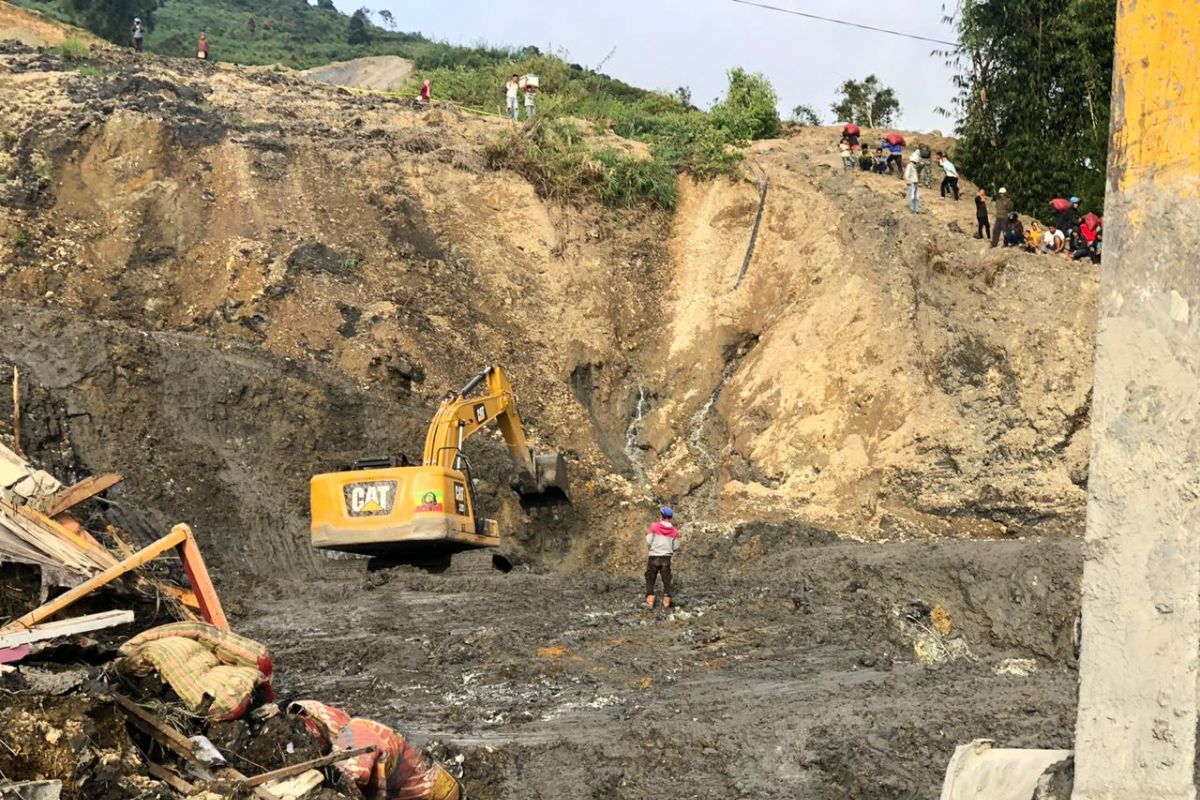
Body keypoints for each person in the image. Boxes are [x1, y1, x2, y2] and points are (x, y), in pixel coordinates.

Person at [645, 506, 679, 609]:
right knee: (666, 580)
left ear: (661, 516)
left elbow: (649, 541)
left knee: (650, 578)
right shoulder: (674, 531)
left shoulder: (654, 527)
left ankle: (650, 600)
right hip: (666, 558)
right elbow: (676, 547)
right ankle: (666, 602)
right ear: (670, 518)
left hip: (654, 557)